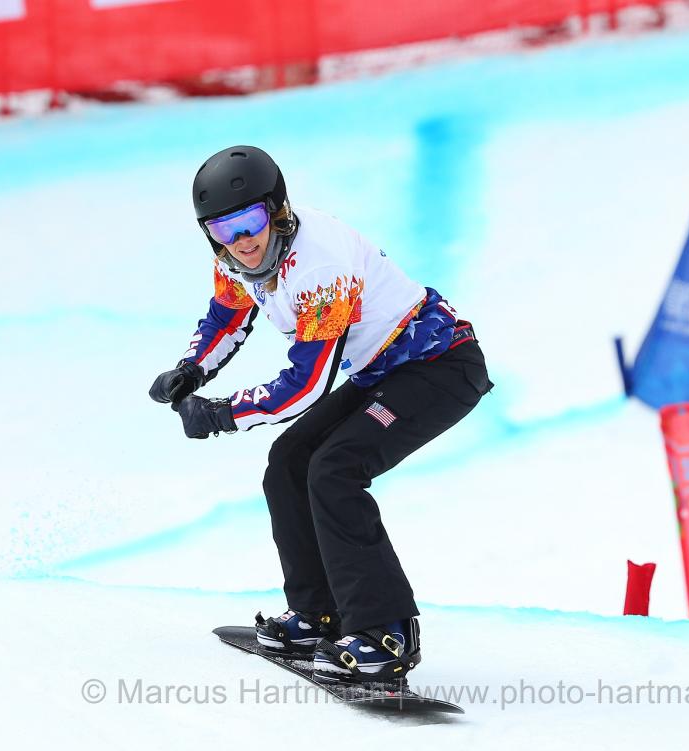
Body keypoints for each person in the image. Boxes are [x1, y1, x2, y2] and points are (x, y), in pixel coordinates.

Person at [149, 146, 492, 684]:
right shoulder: (235, 259)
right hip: (383, 368)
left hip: (438, 366)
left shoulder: (320, 264)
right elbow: (228, 313)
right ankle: (317, 615)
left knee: (336, 469)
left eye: (249, 221)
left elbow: (305, 387)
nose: (241, 240)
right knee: (289, 461)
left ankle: (386, 633)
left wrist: (221, 413)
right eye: (223, 229)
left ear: (277, 209)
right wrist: (191, 370)